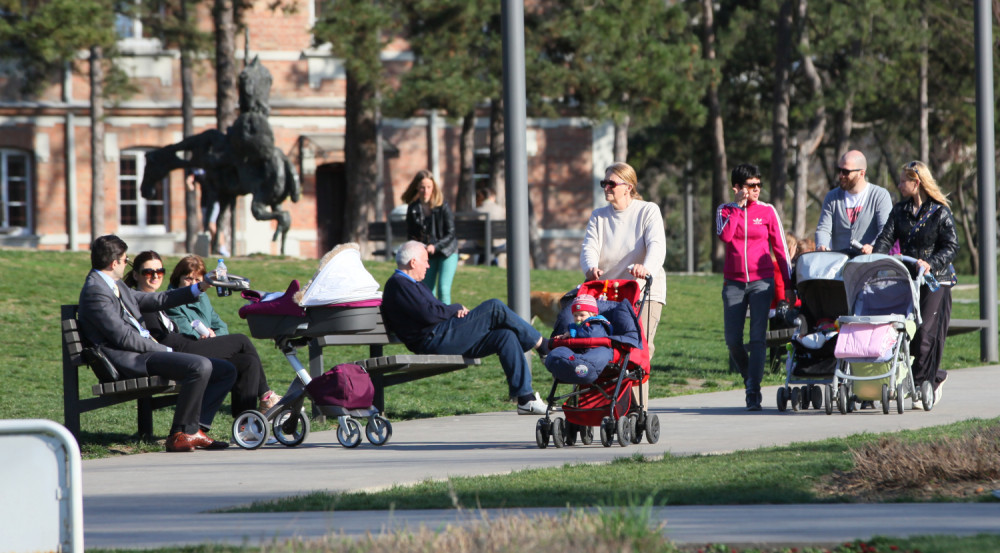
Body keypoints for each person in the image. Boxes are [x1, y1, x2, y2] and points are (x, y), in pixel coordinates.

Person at [77, 235, 236, 452]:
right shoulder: (96, 291)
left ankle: (192, 431)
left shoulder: (114, 285)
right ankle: (180, 435)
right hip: (129, 359)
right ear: (114, 263)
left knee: (225, 370)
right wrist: (164, 349)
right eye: (125, 260)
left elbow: (157, 300)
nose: (126, 263)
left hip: (142, 351)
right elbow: (123, 338)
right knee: (200, 366)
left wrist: (201, 286)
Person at [381, 241, 550, 415]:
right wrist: (455, 309)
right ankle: (543, 346)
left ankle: (525, 399)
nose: (428, 265)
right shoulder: (399, 284)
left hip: (441, 335)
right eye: (425, 260)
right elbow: (429, 314)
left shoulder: (412, 284)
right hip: (433, 339)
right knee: (494, 307)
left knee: (505, 336)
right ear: (413, 262)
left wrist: (452, 312)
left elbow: (434, 310)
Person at [123, 252, 283, 416]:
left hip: (184, 348)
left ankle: (246, 425)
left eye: (160, 271)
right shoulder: (142, 303)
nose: (155, 276)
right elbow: (166, 339)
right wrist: (203, 340)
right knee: (241, 340)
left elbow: (217, 323)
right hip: (175, 354)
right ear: (136, 275)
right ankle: (266, 397)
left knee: (247, 362)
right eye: (148, 272)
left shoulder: (158, 299)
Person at [860, 161, 959, 404]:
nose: (899, 184)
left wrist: (931, 263)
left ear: (917, 183)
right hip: (908, 278)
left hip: (937, 279)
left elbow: (951, 246)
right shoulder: (899, 211)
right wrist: (875, 254)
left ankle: (925, 383)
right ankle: (928, 377)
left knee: (926, 332)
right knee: (906, 333)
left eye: (904, 180)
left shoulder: (940, 211)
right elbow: (886, 239)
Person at [716, 164, 794, 411]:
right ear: (738, 188)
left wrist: (789, 285)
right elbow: (726, 237)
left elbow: (781, 250)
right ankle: (749, 376)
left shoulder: (768, 211)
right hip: (734, 284)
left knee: (758, 338)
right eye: (752, 185)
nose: (757, 189)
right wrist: (738, 209)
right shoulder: (724, 210)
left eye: (759, 184)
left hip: (762, 282)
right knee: (733, 340)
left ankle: (753, 390)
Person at [580, 162, 667, 358]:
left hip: (643, 290)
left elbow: (657, 246)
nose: (606, 187)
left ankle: (636, 389)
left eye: (611, 183)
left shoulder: (648, 211)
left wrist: (646, 268)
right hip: (608, 293)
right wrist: (590, 267)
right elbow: (589, 247)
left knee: (638, 351)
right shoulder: (598, 216)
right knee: (597, 346)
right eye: (604, 183)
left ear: (629, 187)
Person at [815, 150, 893, 253]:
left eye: (846, 172)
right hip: (838, 265)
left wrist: (874, 247)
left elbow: (885, 230)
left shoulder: (880, 196)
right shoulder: (832, 197)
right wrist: (822, 245)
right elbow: (823, 228)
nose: (841, 175)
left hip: (869, 264)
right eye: (839, 170)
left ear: (861, 173)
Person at [402, 169, 458, 304]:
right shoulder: (413, 209)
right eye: (422, 187)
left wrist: (436, 246)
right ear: (417, 187)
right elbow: (411, 235)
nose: (425, 191)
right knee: (427, 290)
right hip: (426, 254)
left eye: (429, 187)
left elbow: (451, 232)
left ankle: (447, 322)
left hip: (447, 251)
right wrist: (418, 249)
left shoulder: (442, 206)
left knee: (443, 289)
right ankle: (432, 321)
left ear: (433, 188)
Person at [186, 168, 228, 257]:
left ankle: (222, 247)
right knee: (207, 226)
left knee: (211, 224)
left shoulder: (211, 166)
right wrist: (189, 183)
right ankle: (214, 249)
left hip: (214, 201)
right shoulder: (196, 168)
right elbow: (190, 180)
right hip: (204, 201)